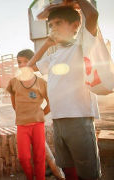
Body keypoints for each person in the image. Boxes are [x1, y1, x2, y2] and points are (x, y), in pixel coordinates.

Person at [27, 1, 101, 179]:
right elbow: (28, 69)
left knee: (88, 172)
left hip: (79, 119)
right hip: (58, 120)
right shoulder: (53, 56)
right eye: (50, 25)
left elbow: (92, 16)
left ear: (75, 26)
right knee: (68, 169)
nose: (53, 28)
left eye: (58, 23)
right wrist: (46, 44)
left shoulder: (82, 45)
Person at [7, 49, 50, 180]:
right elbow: (14, 104)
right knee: (23, 157)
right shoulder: (13, 82)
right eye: (19, 62)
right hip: (22, 125)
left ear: (34, 62)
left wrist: (39, 114)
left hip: (38, 124)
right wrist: (23, 114)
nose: (22, 64)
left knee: (39, 156)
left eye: (26, 61)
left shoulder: (42, 82)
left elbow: (50, 103)